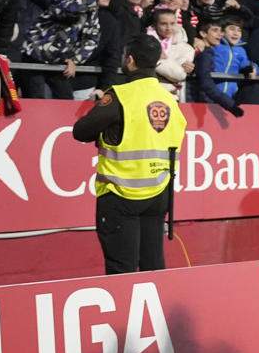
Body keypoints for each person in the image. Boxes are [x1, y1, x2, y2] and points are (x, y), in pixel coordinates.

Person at [70, 35, 189, 274]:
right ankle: (156, 311)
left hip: (120, 192)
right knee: (152, 264)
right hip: (158, 191)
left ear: (130, 60)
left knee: (121, 269)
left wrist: (106, 133)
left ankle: (126, 312)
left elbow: (81, 131)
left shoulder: (119, 95)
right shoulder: (170, 99)